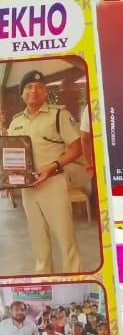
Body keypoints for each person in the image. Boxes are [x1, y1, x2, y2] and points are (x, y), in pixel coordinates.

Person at [4, 70, 84, 274]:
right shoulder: (16, 122)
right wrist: (7, 179)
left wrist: (52, 167)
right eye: (29, 87)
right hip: (28, 189)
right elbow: (10, 154)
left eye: (40, 87)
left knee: (65, 238)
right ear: (22, 93)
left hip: (53, 184)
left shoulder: (59, 115)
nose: (34, 91)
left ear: (45, 91)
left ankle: (73, 277)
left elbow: (76, 149)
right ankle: (44, 277)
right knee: (38, 240)